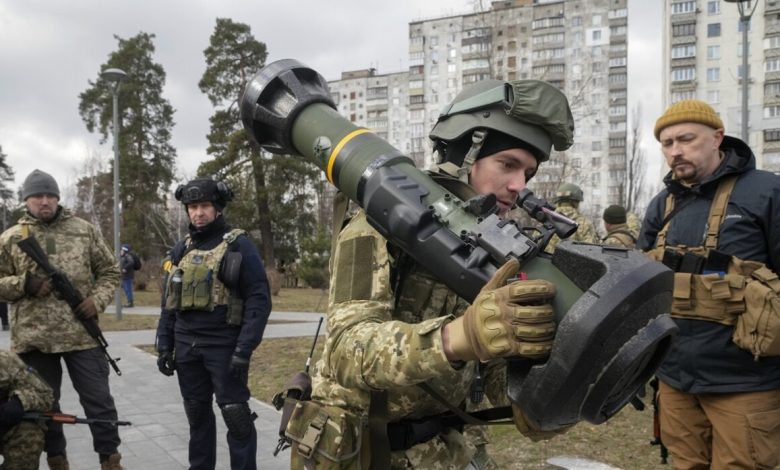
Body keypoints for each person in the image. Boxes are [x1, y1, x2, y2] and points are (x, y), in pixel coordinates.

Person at [284, 79, 573, 468]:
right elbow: (346, 351)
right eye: (507, 164)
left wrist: (546, 390)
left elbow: (495, 373)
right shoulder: (380, 223)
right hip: (365, 450)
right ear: (465, 154)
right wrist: (459, 337)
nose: (518, 186)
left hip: (443, 451)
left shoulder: (499, 247)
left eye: (528, 173)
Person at [638, 99, 780, 469]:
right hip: (675, 377)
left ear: (718, 138)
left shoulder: (766, 193)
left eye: (686, 139)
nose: (675, 151)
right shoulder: (662, 205)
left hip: (746, 382)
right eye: (667, 144)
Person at [0, 169, 124, 470]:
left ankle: (110, 459)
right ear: (26, 200)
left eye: (50, 195)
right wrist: (23, 285)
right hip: (34, 340)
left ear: (57, 198)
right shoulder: (11, 238)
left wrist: (96, 302)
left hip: (82, 335)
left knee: (99, 400)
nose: (45, 201)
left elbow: (111, 270)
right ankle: (57, 460)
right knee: (44, 404)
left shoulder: (84, 230)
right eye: (37, 196)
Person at [155, 178, 272, 470]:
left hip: (223, 346)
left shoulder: (239, 245)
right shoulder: (182, 248)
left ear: (217, 208)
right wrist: (165, 344)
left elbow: (259, 299)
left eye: (204, 205)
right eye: (192, 207)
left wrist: (244, 349)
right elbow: (170, 299)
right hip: (186, 345)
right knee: (197, 415)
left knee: (236, 416)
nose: (198, 213)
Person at [0, 349, 53, 469]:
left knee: (28, 433)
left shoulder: (5, 359)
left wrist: (19, 402)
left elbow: (43, 393)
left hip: (4, 426)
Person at [545, 182, 598, 253]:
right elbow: (592, 252)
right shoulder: (585, 224)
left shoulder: (545, 220)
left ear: (558, 200)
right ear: (576, 202)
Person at [119, 244, 137, 308]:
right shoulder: (123, 257)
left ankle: (130, 303)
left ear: (124, 250)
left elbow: (131, 262)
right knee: (126, 290)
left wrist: (125, 268)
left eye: (121, 250)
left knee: (128, 289)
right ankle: (128, 302)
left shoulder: (128, 256)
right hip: (124, 276)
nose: (120, 251)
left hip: (128, 276)